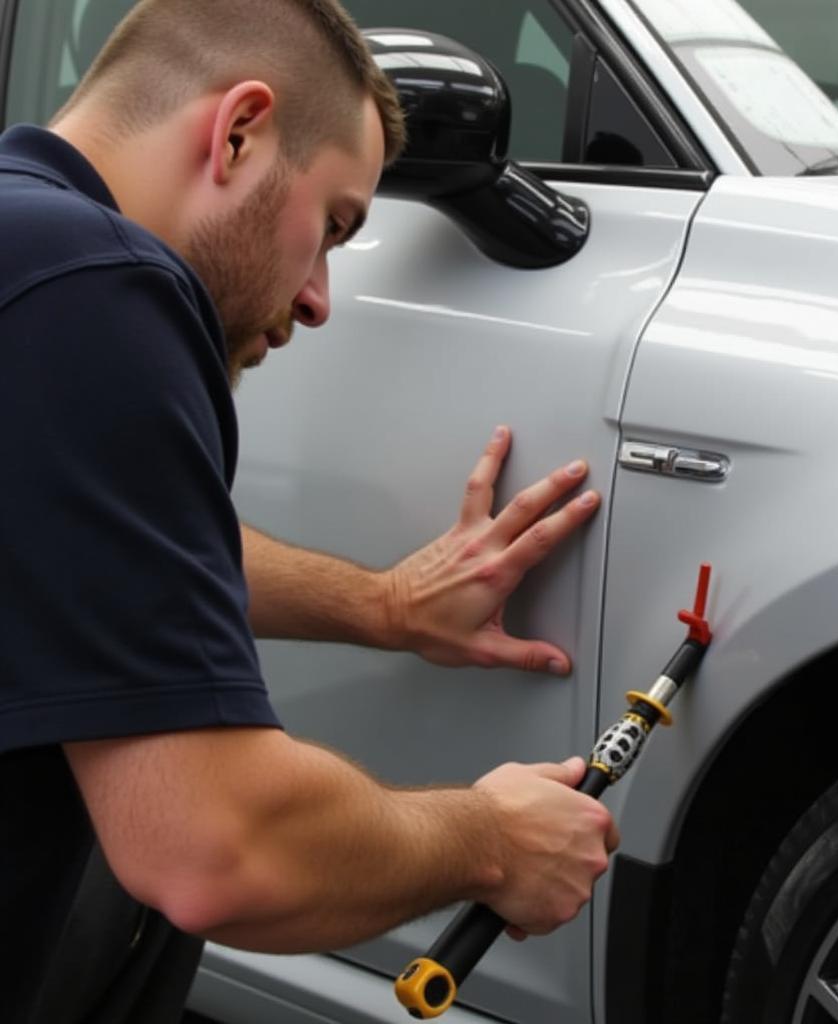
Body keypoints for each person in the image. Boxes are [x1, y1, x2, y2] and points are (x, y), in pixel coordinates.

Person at [0, 1, 618, 1022]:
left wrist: (383, 605)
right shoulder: (93, 287)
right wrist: (493, 840)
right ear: (238, 130)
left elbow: (88, 548)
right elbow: (213, 846)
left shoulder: (26, 252)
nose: (323, 295)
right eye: (333, 223)